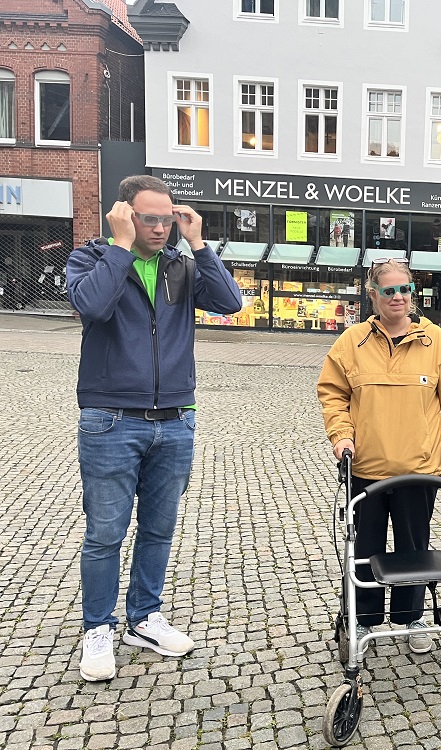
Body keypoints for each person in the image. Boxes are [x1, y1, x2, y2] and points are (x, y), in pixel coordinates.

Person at [66, 175, 243, 682]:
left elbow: (230, 302)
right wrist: (120, 248)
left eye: (168, 217)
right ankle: (97, 628)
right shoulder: (91, 261)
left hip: (176, 418)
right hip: (110, 418)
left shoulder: (181, 267)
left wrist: (200, 243)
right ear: (124, 214)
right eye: (150, 218)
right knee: (105, 533)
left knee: (159, 529)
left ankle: (143, 619)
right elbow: (93, 306)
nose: (162, 227)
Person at [317, 258, 441, 654]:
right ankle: (364, 621)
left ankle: (411, 618)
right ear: (373, 295)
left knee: (412, 549)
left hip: (419, 470)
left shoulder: (434, 340)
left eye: (405, 289)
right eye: (389, 291)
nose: (399, 297)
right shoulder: (351, 342)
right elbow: (332, 394)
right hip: (366, 468)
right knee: (366, 548)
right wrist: (341, 438)